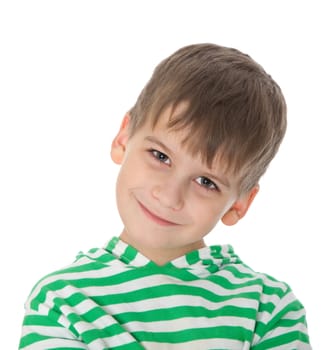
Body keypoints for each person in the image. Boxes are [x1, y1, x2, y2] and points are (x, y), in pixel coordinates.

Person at [19, 43, 311, 349]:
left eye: (205, 181)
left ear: (240, 203)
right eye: (160, 156)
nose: (170, 196)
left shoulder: (269, 309)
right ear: (124, 138)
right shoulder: (60, 301)